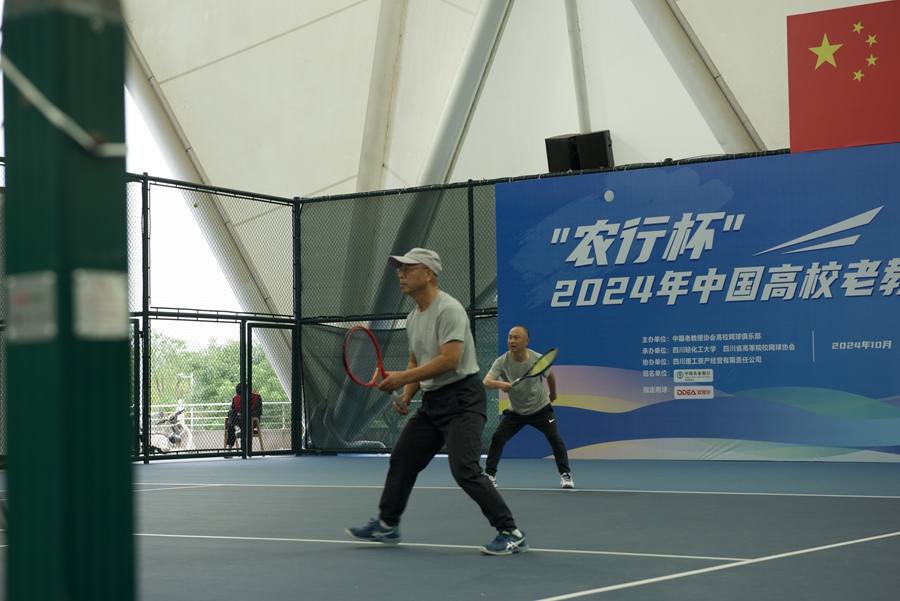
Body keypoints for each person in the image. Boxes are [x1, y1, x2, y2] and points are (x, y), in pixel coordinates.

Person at [345, 248, 528, 556]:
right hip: (432, 402)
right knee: (402, 458)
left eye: (408, 268)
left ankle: (512, 532)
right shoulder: (412, 318)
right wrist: (407, 393)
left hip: (463, 399)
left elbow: (449, 360)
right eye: (399, 269)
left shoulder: (449, 310)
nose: (401, 274)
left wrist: (403, 378)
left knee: (464, 469)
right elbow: (417, 360)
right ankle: (388, 525)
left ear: (429, 274)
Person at [483, 326, 574, 489]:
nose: (511, 341)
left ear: (526, 341)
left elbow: (550, 376)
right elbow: (487, 382)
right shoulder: (502, 361)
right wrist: (501, 384)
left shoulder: (537, 359)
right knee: (498, 437)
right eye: (510, 337)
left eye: (516, 337)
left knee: (554, 438)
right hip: (516, 411)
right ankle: (490, 475)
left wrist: (553, 394)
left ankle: (565, 475)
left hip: (540, 408)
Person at [225, 383, 263, 450]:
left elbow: (258, 413)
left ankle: (230, 448)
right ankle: (237, 428)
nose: (242, 397)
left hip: (250, 421)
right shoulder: (235, 398)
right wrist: (238, 416)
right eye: (240, 395)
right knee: (231, 413)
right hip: (237, 420)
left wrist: (244, 415)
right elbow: (232, 411)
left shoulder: (257, 397)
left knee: (231, 425)